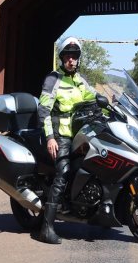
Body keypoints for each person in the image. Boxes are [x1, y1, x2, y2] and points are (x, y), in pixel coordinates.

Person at [36, 36, 98, 244]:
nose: (72, 60)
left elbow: (95, 97)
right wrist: (50, 138)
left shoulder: (79, 80)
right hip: (61, 134)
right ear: (61, 58)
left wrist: (114, 105)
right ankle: (47, 227)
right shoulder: (54, 79)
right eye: (68, 56)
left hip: (80, 134)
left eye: (75, 56)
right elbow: (43, 110)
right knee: (62, 172)